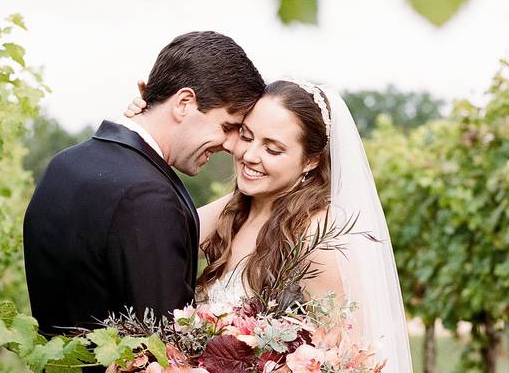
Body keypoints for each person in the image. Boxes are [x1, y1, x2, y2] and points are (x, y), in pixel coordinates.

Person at [125, 79, 413, 371]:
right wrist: (147, 129)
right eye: (247, 137)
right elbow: (144, 240)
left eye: (272, 149)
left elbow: (348, 359)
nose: (250, 156)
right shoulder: (230, 212)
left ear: (310, 161)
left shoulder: (317, 239)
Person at [23, 31, 264, 341]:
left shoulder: (64, 164)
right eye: (227, 127)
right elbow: (166, 348)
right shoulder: (148, 197)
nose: (232, 146)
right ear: (184, 103)